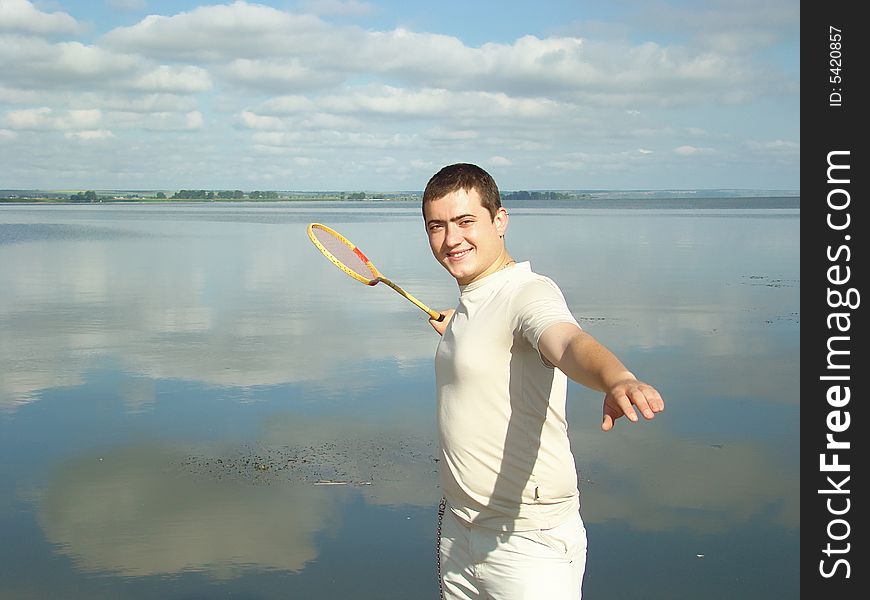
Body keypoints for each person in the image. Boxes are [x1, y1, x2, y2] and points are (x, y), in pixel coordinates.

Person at [422, 163, 664, 600]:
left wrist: (617, 378)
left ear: (500, 221)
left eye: (464, 222)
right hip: (458, 532)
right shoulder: (472, 303)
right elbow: (489, 342)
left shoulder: (529, 292)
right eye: (436, 226)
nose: (451, 239)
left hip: (528, 542)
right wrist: (461, 328)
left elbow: (567, 340)